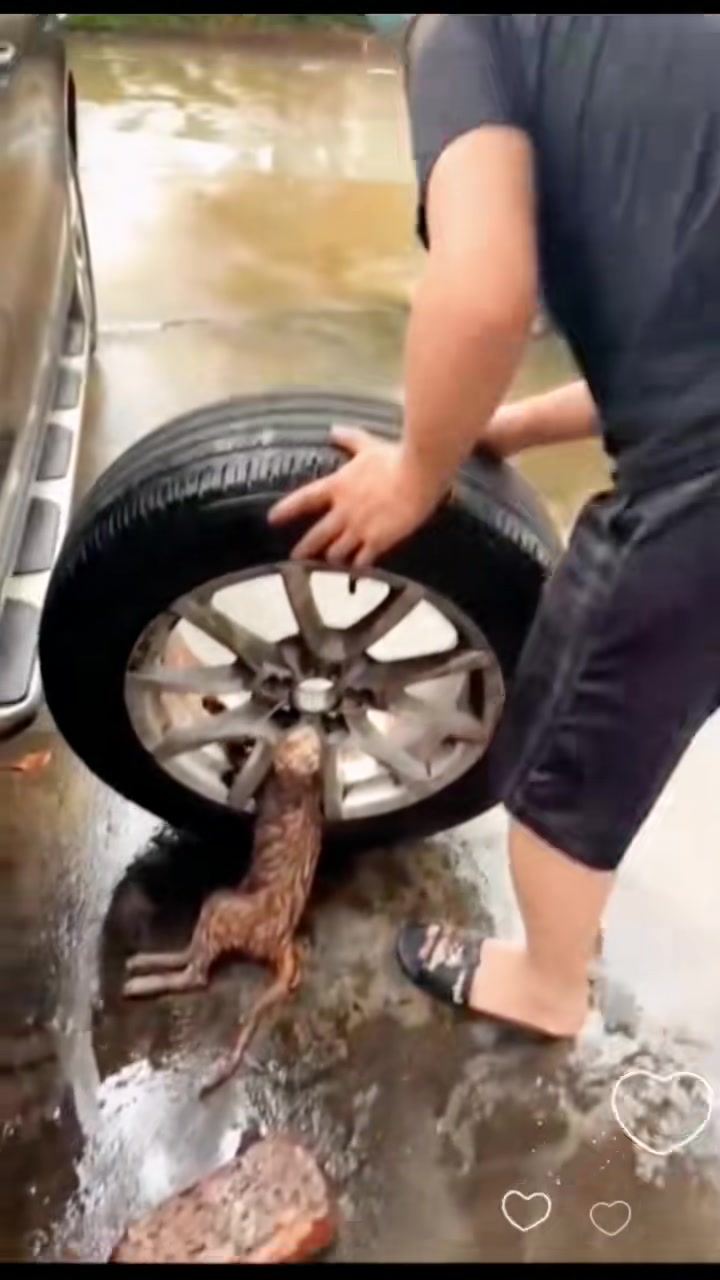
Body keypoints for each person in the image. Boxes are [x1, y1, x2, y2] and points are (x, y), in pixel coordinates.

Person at [269, 15, 720, 1041]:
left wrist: (419, 471)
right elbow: (688, 337)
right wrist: (503, 423)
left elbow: (483, 295)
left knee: (570, 746)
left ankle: (547, 981)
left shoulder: (464, 31)